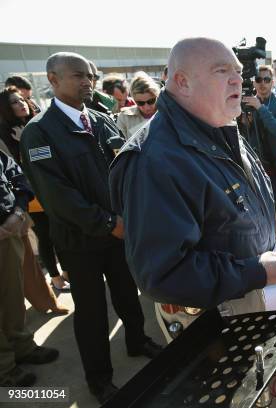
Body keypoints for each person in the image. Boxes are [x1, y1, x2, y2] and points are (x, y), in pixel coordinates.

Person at [109, 38, 276, 316]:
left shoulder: (218, 126)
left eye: (238, 72)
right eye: (222, 71)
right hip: (218, 312)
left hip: (257, 291)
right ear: (183, 82)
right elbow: (164, 274)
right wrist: (255, 272)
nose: (238, 81)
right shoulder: (154, 160)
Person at [19, 52, 162, 404]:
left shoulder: (100, 120)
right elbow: (56, 196)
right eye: (78, 76)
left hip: (119, 231)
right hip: (81, 239)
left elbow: (124, 169)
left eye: (90, 76)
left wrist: (132, 215)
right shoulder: (39, 133)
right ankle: (99, 378)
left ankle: (136, 339)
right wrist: (107, 223)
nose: (87, 82)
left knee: (128, 291)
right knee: (92, 311)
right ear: (53, 79)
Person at [0, 86, 70, 292]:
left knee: (62, 232)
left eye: (21, 99)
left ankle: (66, 273)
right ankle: (56, 278)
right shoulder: (5, 134)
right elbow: (16, 170)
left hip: (56, 187)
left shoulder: (40, 122)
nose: (21, 103)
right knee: (46, 236)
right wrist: (24, 142)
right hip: (33, 195)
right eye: (14, 101)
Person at [1, 149, 59, 387]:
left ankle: (22, 347)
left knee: (12, 298)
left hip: (8, 233)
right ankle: (4, 368)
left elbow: (17, 176)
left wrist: (17, 212)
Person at [240, 65, 276, 201]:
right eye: (258, 79)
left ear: (272, 82)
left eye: (267, 79)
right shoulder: (245, 105)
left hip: (275, 165)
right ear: (253, 82)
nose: (262, 83)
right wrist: (245, 123)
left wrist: (260, 108)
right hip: (251, 165)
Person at [116, 73, 160, 138]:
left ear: (157, 96)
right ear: (134, 100)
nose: (146, 107)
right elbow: (121, 145)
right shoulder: (124, 117)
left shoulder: (168, 113)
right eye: (140, 103)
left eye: (151, 101)